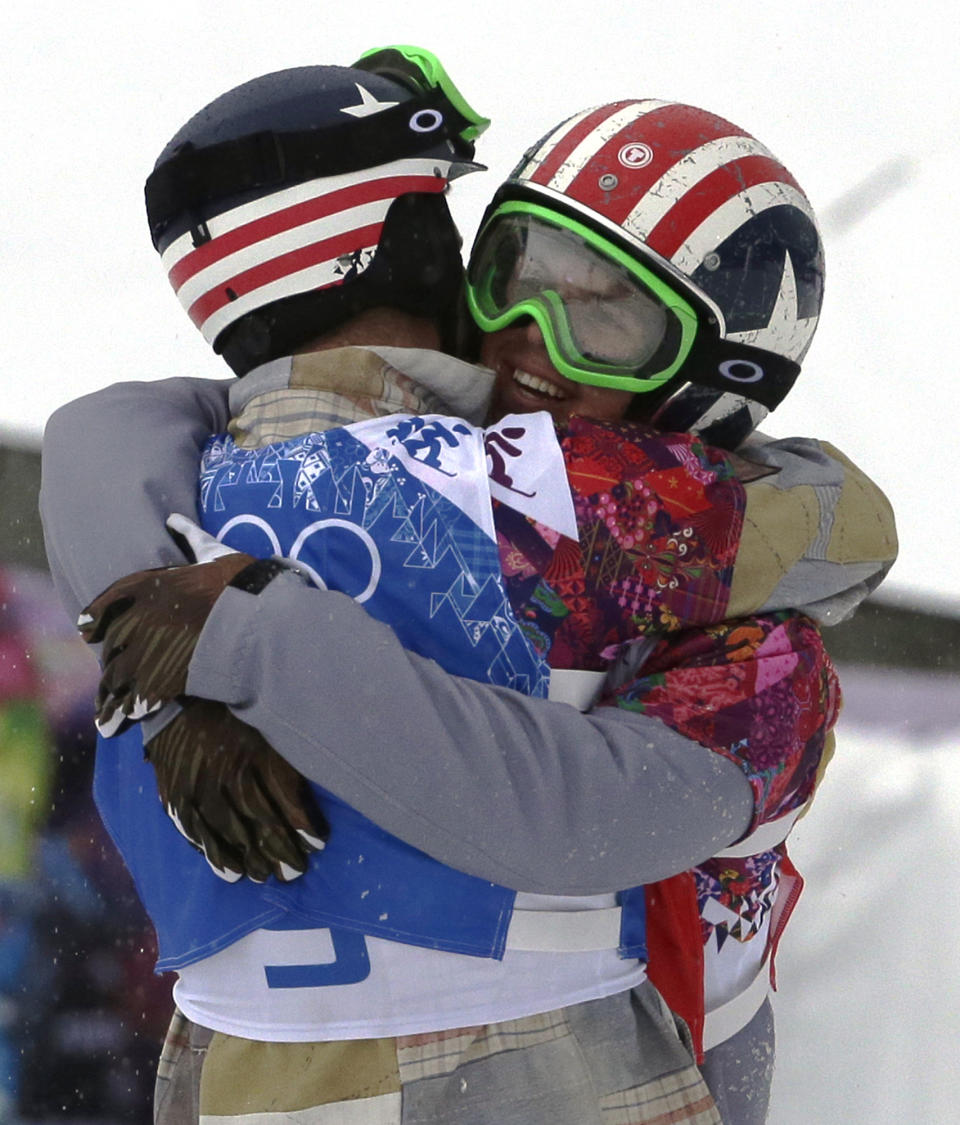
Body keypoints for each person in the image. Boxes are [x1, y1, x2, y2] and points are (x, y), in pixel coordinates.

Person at [41, 55, 896, 1125]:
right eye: (519, 269)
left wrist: (232, 639)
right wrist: (175, 668)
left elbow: (575, 820)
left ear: (712, 377)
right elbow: (106, 427)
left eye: (610, 319)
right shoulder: (409, 464)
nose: (533, 338)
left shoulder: (757, 646)